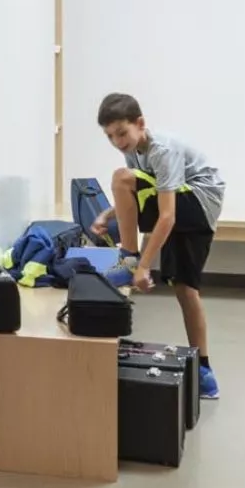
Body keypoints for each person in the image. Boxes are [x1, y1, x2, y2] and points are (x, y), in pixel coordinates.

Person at [96, 92, 224, 401]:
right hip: (183, 200)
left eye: (122, 133)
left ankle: (128, 260)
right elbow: (143, 192)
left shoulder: (161, 150)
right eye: (110, 136)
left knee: (120, 178)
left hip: (199, 204)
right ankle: (205, 372)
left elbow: (167, 215)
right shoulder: (133, 151)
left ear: (140, 124)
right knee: (185, 289)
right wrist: (107, 213)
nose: (117, 141)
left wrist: (142, 266)